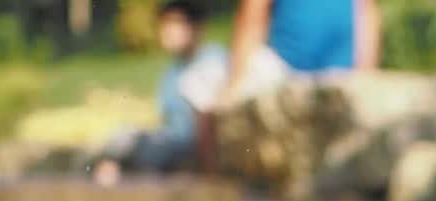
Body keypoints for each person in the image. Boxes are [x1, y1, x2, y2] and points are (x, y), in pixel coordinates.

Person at [185, 0, 383, 173]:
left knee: (200, 79)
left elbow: (252, 17)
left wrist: (235, 83)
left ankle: (211, 174)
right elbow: (367, 14)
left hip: (285, 68)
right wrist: (366, 74)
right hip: (337, 71)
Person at [93, 1, 226, 186]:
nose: (167, 31)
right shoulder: (172, 71)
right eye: (164, 25)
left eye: (175, 24)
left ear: (197, 28)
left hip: (197, 149)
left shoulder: (211, 60)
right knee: (124, 135)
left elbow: (210, 121)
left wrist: (211, 177)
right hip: (173, 144)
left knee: (148, 150)